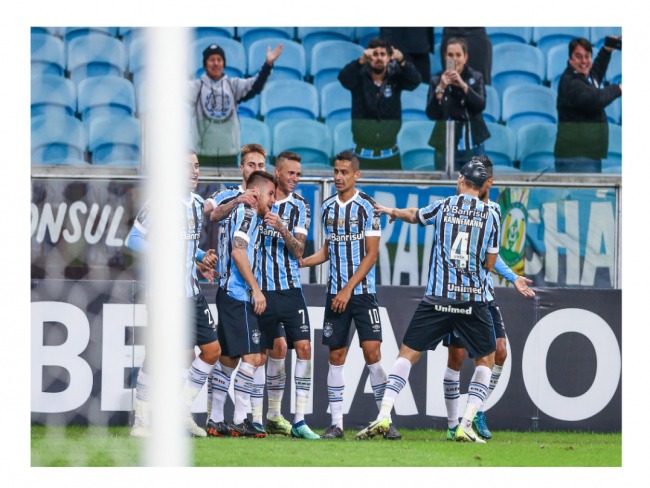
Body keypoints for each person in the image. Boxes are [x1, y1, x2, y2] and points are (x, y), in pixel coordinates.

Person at [355, 160, 500, 443]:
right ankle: (466, 423)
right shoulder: (491, 215)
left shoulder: (444, 206)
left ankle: (384, 413)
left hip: (437, 298)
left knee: (407, 355)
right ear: (482, 186)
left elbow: (414, 215)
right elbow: (490, 263)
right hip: (472, 300)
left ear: (460, 180)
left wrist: (391, 211)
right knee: (486, 361)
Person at [300, 150, 401, 440]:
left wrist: (348, 288)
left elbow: (371, 256)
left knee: (373, 353)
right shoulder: (328, 207)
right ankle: (336, 424)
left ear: (356, 175)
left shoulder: (368, 207)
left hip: (362, 293)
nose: (338, 177)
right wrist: (305, 262)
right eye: (335, 172)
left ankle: (385, 419)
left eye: (344, 172)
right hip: (335, 295)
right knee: (336, 354)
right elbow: (327, 250)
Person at [126, 153, 221, 438]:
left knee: (212, 350)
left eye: (196, 166)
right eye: (187, 166)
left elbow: (186, 245)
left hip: (191, 293)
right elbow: (133, 239)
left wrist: (203, 256)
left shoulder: (194, 205)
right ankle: (141, 423)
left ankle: (180, 411)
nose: (194, 171)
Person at [442, 154, 535, 441]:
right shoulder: (455, 207)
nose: (472, 180)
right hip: (458, 295)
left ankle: (477, 409)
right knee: (456, 358)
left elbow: (492, 259)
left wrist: (513, 277)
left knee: (501, 352)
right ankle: (452, 423)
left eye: (479, 177)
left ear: (489, 183)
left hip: (484, 295)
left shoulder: (493, 211)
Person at [204, 170, 277, 438]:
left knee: (229, 358)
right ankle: (240, 418)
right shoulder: (247, 214)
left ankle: (215, 419)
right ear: (256, 193)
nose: (273, 200)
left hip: (227, 293)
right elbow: (238, 251)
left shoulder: (243, 212)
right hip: (238, 294)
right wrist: (256, 290)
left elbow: (215, 218)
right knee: (254, 357)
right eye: (270, 194)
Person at [255, 151, 320, 439]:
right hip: (263, 291)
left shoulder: (301, 206)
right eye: (290, 173)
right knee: (264, 353)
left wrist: (281, 227)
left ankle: (299, 420)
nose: (295, 178)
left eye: (298, 174)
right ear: (277, 173)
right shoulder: (258, 202)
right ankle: (261, 418)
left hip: (291, 290)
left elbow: (299, 251)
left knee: (304, 347)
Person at [189, 42, 283, 168]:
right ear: (205, 64)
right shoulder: (196, 87)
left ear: (224, 63)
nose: (216, 63)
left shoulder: (233, 85)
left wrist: (268, 65)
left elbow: (256, 85)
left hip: (229, 156)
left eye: (219, 59)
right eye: (211, 60)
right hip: (203, 156)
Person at [338, 37, 422, 171]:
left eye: (383, 54)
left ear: (389, 58)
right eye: (375, 54)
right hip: (361, 155)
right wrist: (361, 61)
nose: (378, 58)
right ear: (369, 56)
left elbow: (415, 81)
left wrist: (402, 61)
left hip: (390, 155)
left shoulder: (396, 77)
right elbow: (343, 78)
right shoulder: (358, 77)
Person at [554, 36, 622, 173]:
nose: (584, 61)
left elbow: (596, 72)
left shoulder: (584, 76)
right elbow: (596, 99)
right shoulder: (571, 82)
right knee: (579, 195)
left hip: (587, 154)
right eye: (578, 57)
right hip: (575, 157)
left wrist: (607, 50)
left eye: (587, 56)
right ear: (570, 59)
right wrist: (618, 89)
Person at [426, 36, 490, 171]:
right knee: (444, 188)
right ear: (445, 57)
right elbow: (432, 113)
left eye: (458, 55)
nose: (454, 59)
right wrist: (441, 88)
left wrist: (463, 85)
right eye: (450, 55)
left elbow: (480, 106)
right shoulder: (437, 80)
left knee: (475, 187)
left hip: (473, 144)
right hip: (444, 145)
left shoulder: (476, 77)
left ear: (465, 57)